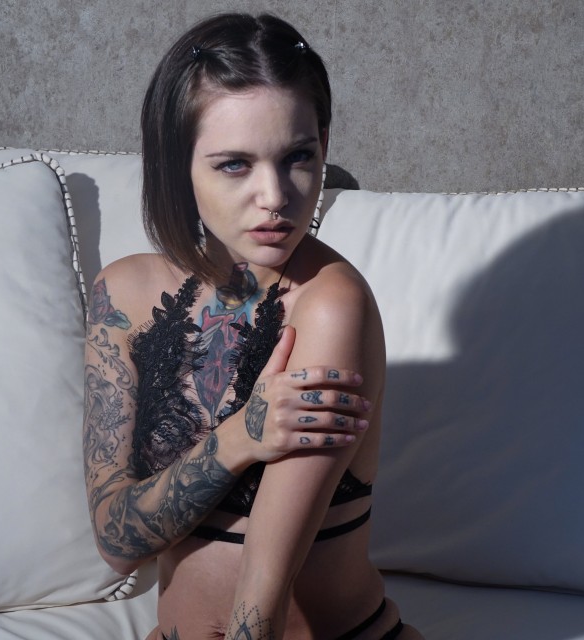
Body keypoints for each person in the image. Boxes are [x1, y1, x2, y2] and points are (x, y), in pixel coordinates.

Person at [83, 12, 421, 640]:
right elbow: (116, 542)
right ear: (178, 163)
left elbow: (263, 596)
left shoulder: (329, 304)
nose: (275, 196)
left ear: (323, 143)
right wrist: (240, 437)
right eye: (235, 164)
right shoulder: (123, 295)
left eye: (298, 157)